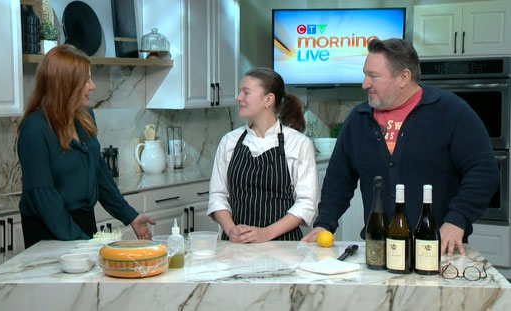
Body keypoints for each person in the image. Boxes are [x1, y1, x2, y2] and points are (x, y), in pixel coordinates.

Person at [302, 38, 499, 256]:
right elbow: (339, 179)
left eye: (373, 76)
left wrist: (457, 219)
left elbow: (483, 171)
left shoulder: (451, 112)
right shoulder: (358, 120)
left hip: (438, 248)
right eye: (365, 74)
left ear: (403, 77)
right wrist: (324, 223)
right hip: (378, 249)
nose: (365, 84)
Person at [17, 44, 155, 248]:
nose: (92, 86)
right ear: (66, 84)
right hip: (48, 232)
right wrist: (84, 244)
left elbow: (100, 175)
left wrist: (130, 216)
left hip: (83, 225)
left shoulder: (85, 117)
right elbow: (45, 198)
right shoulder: (34, 130)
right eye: (85, 80)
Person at [208, 68, 318, 242]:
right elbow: (218, 195)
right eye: (239, 92)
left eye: (246, 92)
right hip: (237, 246)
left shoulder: (299, 144)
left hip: (283, 247)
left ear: (268, 99)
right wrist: (231, 230)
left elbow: (306, 203)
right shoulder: (229, 142)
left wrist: (265, 233)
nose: (239, 98)